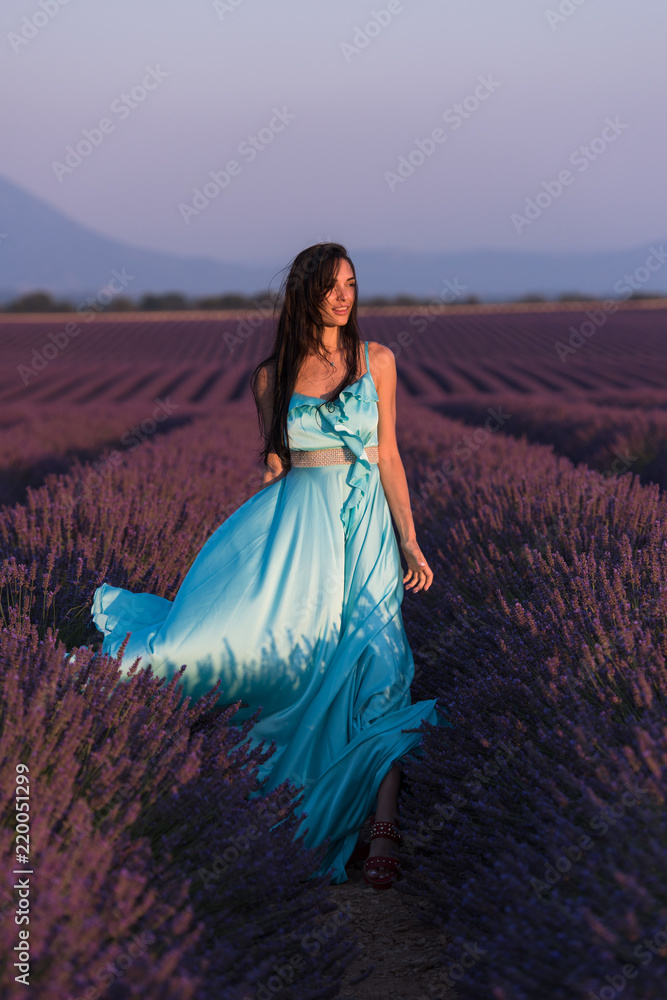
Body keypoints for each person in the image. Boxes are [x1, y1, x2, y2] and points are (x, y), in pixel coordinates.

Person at [90, 242, 447, 889]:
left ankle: (386, 823)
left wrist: (410, 543)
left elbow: (388, 455)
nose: (345, 297)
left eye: (352, 285)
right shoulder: (270, 376)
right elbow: (278, 465)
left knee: (381, 661)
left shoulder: (378, 361)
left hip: (363, 526)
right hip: (299, 529)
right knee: (294, 662)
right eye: (332, 286)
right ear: (306, 292)